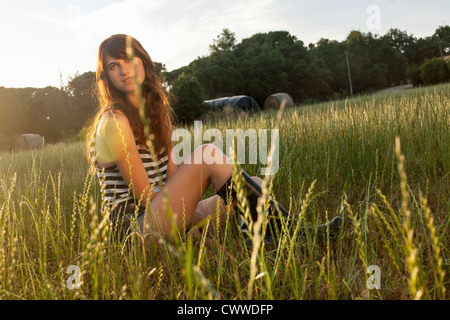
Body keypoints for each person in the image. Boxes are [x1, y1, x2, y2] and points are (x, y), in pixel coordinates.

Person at [87, 34, 341, 245]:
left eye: (128, 60)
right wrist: (192, 222)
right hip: (133, 232)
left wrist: (191, 216)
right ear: (106, 76)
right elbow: (143, 198)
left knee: (255, 185)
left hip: (162, 214)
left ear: (143, 61)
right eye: (113, 66)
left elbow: (172, 179)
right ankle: (298, 235)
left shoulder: (157, 113)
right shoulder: (114, 121)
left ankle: (268, 238)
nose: (123, 70)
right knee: (207, 156)